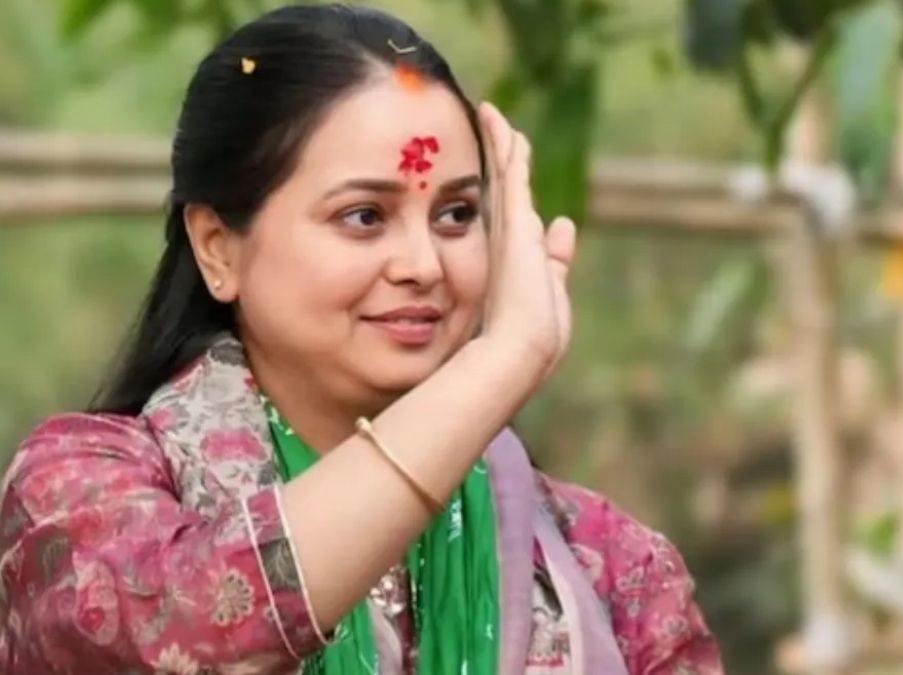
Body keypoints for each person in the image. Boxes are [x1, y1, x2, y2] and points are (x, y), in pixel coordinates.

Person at [0, 5, 722, 674]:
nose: (424, 265)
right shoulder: (79, 499)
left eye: (456, 214)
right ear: (218, 247)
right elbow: (193, 629)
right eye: (365, 216)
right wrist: (503, 361)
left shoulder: (614, 570)